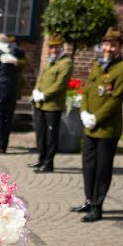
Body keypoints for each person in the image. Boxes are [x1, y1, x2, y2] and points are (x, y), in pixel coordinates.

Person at [73, 27, 123, 222]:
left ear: (119, 47)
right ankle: (89, 200)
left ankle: (97, 206)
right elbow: (87, 91)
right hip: (89, 126)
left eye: (113, 45)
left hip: (107, 129)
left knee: (102, 169)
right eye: (106, 44)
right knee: (88, 166)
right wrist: (83, 112)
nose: (109, 48)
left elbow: (115, 99)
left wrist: (96, 117)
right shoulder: (97, 66)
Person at [30, 33, 73, 173]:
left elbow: (59, 84)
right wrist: (36, 91)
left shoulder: (65, 63)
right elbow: (41, 79)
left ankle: (49, 163)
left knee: (50, 135)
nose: (53, 50)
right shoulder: (50, 61)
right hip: (40, 104)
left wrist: (44, 94)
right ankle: (41, 159)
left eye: (56, 47)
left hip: (53, 105)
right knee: (41, 133)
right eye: (51, 47)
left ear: (61, 47)